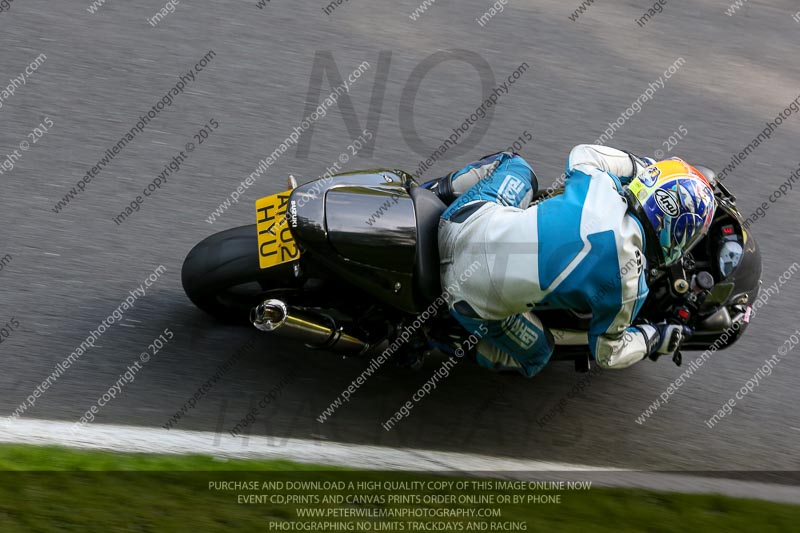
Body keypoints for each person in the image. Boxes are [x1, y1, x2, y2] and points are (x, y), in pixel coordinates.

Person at [428, 145, 716, 377]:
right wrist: (656, 336)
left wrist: (642, 167)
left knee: (516, 165)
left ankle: (430, 192)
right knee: (539, 355)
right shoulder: (631, 286)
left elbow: (583, 153)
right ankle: (437, 338)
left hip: (458, 221)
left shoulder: (598, 185)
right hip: (466, 300)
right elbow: (609, 353)